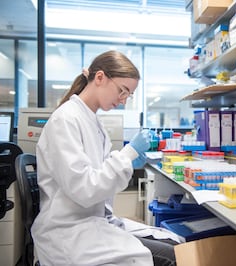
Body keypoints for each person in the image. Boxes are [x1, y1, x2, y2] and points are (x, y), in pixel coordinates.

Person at [31, 50, 182, 266]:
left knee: (175, 244)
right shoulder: (65, 119)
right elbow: (85, 189)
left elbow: (97, 174)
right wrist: (127, 155)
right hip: (69, 232)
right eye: (122, 91)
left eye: (128, 95)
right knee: (173, 258)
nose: (122, 101)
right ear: (100, 77)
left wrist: (128, 163)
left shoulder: (93, 122)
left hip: (92, 223)